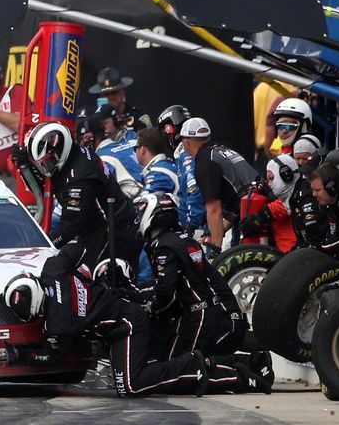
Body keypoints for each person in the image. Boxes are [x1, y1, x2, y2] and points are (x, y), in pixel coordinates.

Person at [25, 246, 268, 397]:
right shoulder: (53, 269)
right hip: (125, 318)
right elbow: (77, 248)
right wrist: (82, 279)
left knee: (131, 385)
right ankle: (250, 362)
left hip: (127, 324)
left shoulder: (58, 323)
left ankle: (213, 370)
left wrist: (19, 354)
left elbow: (55, 357)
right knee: (153, 367)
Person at [135, 192, 247, 361]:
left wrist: (150, 308)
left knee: (176, 369)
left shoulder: (164, 246)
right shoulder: (185, 240)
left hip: (198, 316)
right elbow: (213, 279)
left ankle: (251, 367)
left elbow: (166, 292)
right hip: (213, 314)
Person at [27, 120, 138, 273]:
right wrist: (26, 165)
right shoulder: (75, 154)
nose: (44, 169)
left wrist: (42, 245)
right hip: (99, 227)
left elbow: (69, 227)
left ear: (59, 151)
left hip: (112, 231)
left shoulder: (80, 178)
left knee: (91, 280)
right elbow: (47, 184)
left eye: (47, 162)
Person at [178, 117, 254, 247]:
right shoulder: (222, 149)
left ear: (186, 141)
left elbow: (214, 209)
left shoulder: (205, 162)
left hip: (251, 216)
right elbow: (238, 194)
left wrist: (216, 248)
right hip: (257, 209)